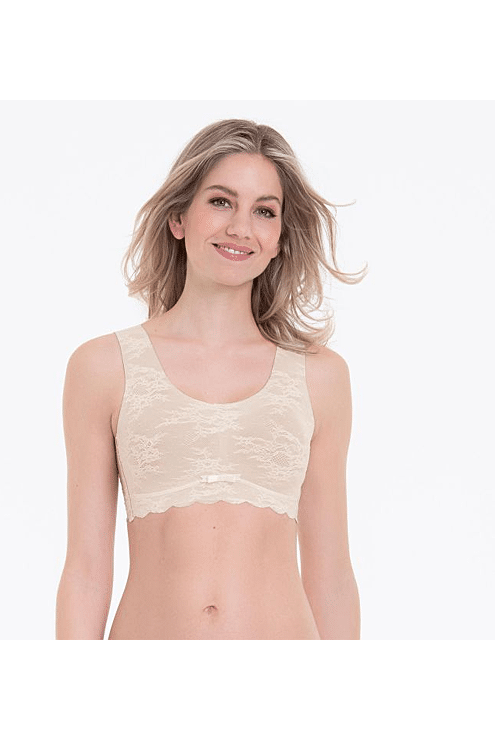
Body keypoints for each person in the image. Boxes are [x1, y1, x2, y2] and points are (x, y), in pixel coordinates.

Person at [56, 118, 367, 640]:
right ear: (178, 217)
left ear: (279, 239)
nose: (241, 227)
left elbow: (331, 575)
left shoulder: (320, 377)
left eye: (264, 211)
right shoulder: (102, 368)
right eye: (221, 201)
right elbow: (85, 572)